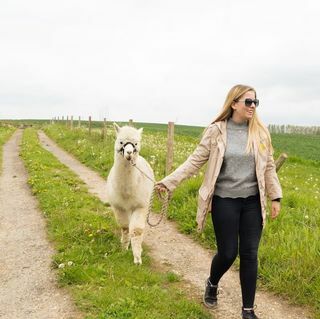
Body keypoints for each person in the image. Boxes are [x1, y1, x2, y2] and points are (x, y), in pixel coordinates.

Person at [155, 84, 282, 319]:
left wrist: (275, 196)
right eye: (248, 102)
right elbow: (194, 161)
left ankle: (248, 310)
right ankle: (212, 282)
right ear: (234, 103)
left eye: (256, 102)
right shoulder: (216, 131)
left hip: (253, 203)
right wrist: (169, 182)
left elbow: (269, 166)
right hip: (225, 200)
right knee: (228, 253)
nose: (252, 106)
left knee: (250, 254)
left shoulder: (261, 133)